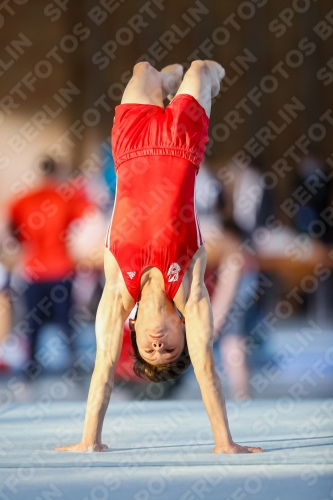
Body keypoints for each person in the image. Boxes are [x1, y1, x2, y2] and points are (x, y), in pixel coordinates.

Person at [55, 60, 264, 454]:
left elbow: (103, 372)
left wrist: (89, 441)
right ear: (182, 331)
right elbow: (205, 369)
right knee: (201, 69)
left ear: (131, 332)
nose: (157, 342)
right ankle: (208, 81)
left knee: (143, 71)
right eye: (168, 347)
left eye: (149, 348)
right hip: (181, 147)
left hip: (130, 149)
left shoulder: (118, 295)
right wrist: (224, 443)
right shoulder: (190, 293)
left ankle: (165, 82)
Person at [7, 157, 93, 372]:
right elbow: (90, 218)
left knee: (32, 321)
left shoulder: (25, 198)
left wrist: (19, 243)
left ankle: (31, 367)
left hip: (33, 270)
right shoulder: (68, 197)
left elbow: (8, 223)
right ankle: (73, 366)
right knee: (66, 320)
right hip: (61, 269)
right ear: (58, 172)